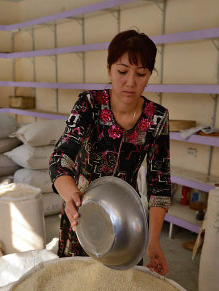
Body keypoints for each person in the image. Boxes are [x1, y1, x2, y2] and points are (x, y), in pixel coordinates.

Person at [49, 29, 171, 276]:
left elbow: (159, 182)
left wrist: (153, 239)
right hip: (82, 207)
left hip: (127, 215)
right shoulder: (89, 105)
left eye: (141, 74)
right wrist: (71, 196)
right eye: (122, 71)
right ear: (109, 69)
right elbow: (61, 158)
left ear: (149, 75)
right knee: (76, 282)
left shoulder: (157, 117)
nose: (130, 82)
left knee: (117, 284)